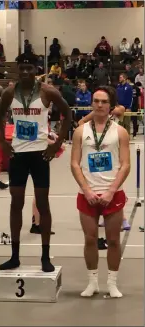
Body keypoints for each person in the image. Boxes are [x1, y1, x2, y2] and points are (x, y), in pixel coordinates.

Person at [0, 53, 72, 273]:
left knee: (42, 204)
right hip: (18, 154)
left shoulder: (47, 91)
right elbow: (0, 116)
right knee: (15, 203)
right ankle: (15, 256)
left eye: (30, 68)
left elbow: (67, 114)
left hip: (40, 154)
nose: (26, 72)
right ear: (17, 69)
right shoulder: (10, 93)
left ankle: (45, 257)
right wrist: (3, 140)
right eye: (22, 68)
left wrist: (57, 143)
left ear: (36, 69)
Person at [70, 86, 130, 298]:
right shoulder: (80, 131)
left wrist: (111, 191)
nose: (99, 105)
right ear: (91, 103)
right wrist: (86, 190)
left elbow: (125, 165)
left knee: (113, 240)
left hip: (112, 194)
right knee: (90, 239)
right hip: (87, 194)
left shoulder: (120, 132)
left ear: (111, 106)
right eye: (96, 101)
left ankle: (112, 282)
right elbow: (75, 164)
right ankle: (92, 282)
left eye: (104, 102)